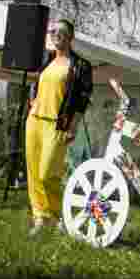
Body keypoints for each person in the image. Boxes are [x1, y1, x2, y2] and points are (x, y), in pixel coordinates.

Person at [25, 18, 93, 236]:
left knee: (47, 174)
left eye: (59, 32)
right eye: (52, 31)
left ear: (70, 37)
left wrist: (73, 125)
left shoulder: (81, 65)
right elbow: (36, 84)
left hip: (57, 124)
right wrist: (32, 99)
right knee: (34, 173)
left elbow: (82, 99)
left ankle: (57, 216)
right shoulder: (46, 60)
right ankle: (40, 217)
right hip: (34, 121)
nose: (54, 35)